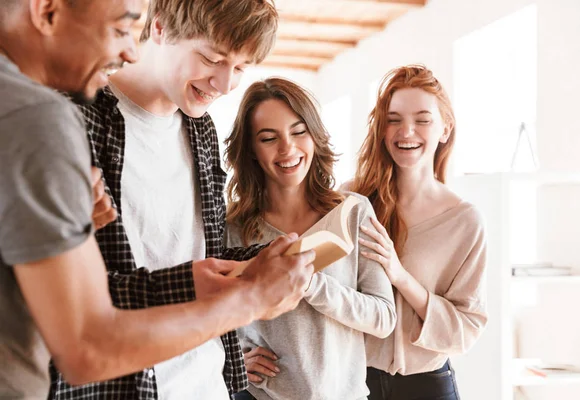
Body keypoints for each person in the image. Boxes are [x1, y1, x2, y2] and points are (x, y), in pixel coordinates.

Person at [0, 1, 314, 399]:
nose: (225, 83)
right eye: (211, 58)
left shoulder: (201, 130)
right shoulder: (64, 116)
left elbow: (191, 255)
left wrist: (268, 262)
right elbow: (79, 321)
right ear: (161, 29)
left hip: (209, 382)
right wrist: (248, 298)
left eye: (240, 68)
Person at [224, 77, 397, 400]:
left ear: (314, 136)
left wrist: (311, 283)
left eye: (298, 131)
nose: (287, 148)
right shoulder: (232, 228)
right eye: (268, 138)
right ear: (251, 150)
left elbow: (383, 318)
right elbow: (215, 315)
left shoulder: (353, 212)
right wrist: (234, 359)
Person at [351, 65, 488, 400]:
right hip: (351, 381)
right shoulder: (350, 202)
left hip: (427, 386)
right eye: (394, 119)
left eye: (422, 119)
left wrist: (400, 276)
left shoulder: (465, 221)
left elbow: (466, 329)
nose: (406, 131)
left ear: (444, 129)